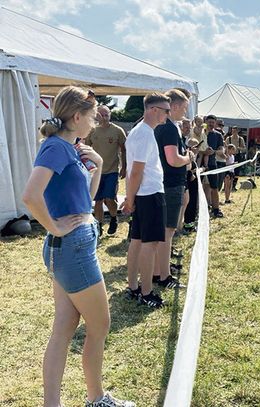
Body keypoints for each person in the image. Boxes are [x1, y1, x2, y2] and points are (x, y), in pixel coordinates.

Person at [22, 86, 135, 406]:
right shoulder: (56, 148)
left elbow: (86, 199)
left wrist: (98, 165)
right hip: (71, 247)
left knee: (65, 326)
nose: (97, 119)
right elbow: (30, 195)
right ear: (76, 116)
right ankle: (97, 398)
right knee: (100, 324)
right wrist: (54, 226)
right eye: (92, 114)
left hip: (72, 245)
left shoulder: (71, 147)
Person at [123, 92, 170, 308]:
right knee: (148, 244)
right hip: (149, 194)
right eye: (165, 110)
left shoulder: (138, 132)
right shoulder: (144, 134)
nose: (167, 115)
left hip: (144, 194)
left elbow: (133, 171)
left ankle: (134, 286)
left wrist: (130, 197)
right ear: (153, 110)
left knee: (138, 241)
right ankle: (146, 291)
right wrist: (129, 199)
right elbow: (136, 172)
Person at [153, 89, 192, 289]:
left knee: (163, 231)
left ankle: (159, 270)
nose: (185, 112)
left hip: (164, 183)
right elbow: (173, 159)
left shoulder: (163, 126)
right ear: (174, 106)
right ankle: (164, 277)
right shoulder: (168, 128)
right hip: (170, 184)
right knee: (167, 231)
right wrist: (188, 158)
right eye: (184, 107)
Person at [85, 105, 126, 236]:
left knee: (109, 199)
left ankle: (114, 218)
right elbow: (86, 148)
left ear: (110, 115)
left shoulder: (117, 131)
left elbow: (124, 150)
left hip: (112, 170)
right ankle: (99, 226)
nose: (104, 117)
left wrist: (124, 167)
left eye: (106, 114)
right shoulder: (92, 131)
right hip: (96, 172)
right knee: (98, 201)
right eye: (101, 115)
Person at [204, 115, 225, 218]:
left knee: (214, 187)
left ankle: (216, 209)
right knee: (200, 188)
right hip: (200, 164)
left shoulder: (218, 135)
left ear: (215, 123)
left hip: (212, 164)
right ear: (206, 122)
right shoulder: (200, 132)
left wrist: (214, 152)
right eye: (209, 122)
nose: (211, 124)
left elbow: (221, 151)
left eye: (213, 122)